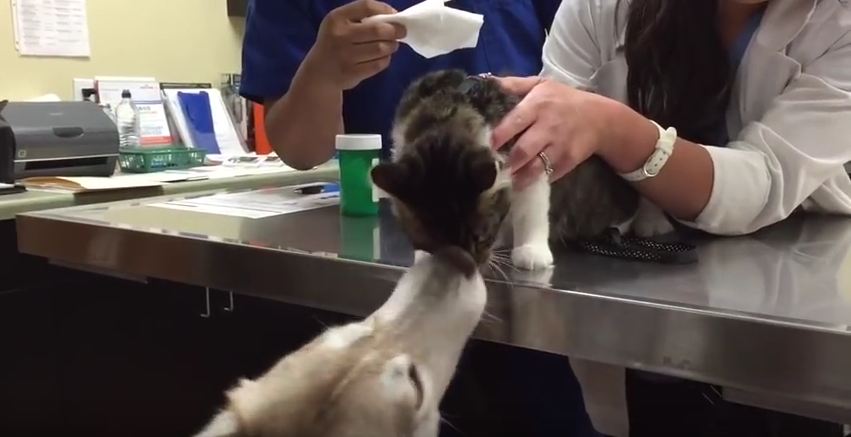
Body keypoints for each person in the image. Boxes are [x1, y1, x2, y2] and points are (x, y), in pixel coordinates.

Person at [240, 1, 601, 436]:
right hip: (386, 268)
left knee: (535, 408)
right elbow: (300, 149)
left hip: (511, 274)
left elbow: (584, 53)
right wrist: (322, 72)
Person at [491, 0, 850, 435]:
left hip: (788, 299)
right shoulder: (599, 8)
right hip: (636, 303)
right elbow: (556, 155)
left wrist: (612, 127)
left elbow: (765, 181)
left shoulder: (839, 22)